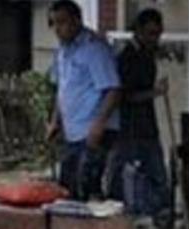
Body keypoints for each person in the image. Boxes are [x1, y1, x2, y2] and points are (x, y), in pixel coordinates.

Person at [46, 0, 121, 201]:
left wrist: (98, 125)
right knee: (66, 189)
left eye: (62, 22)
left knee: (86, 190)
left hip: (93, 131)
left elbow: (113, 89)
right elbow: (63, 88)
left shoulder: (94, 48)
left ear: (77, 20)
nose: (58, 29)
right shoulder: (62, 51)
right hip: (72, 131)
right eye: (54, 24)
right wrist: (55, 120)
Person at [113, 8, 172, 229]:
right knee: (129, 176)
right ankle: (122, 222)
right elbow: (124, 96)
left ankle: (162, 225)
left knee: (158, 175)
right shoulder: (126, 58)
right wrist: (154, 92)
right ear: (137, 31)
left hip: (147, 126)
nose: (154, 38)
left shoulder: (148, 53)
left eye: (158, 34)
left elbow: (161, 51)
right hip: (129, 127)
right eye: (150, 33)